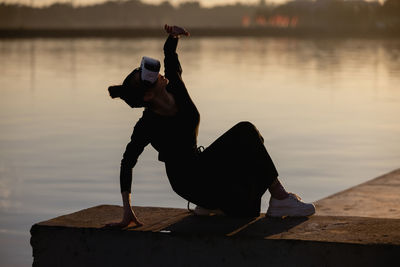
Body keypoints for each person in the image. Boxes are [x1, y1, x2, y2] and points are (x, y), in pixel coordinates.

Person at [106, 24, 315, 228]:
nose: (157, 72)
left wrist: (173, 37)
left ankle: (210, 205)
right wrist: (127, 211)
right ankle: (280, 198)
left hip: (203, 165)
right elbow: (127, 162)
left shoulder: (174, 88)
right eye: (147, 75)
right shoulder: (147, 125)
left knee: (248, 210)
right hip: (187, 181)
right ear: (148, 95)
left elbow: (169, 56)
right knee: (246, 131)